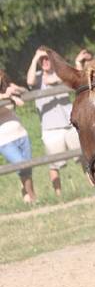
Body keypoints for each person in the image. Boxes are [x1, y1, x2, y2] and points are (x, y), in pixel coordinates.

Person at [26, 47, 80, 197]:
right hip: (50, 129)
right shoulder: (36, 77)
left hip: (70, 124)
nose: (45, 62)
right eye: (42, 60)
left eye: (47, 58)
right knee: (54, 165)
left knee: (84, 157)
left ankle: (93, 185)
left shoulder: (61, 75)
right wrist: (35, 57)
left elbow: (75, 75)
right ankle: (58, 195)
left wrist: (55, 78)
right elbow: (29, 81)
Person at [0, 70, 36, 204]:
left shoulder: (7, 88)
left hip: (21, 133)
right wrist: (6, 97)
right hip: (4, 140)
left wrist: (16, 89)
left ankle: (27, 193)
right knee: (22, 165)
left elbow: (26, 93)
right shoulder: (5, 95)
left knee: (27, 167)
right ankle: (32, 197)